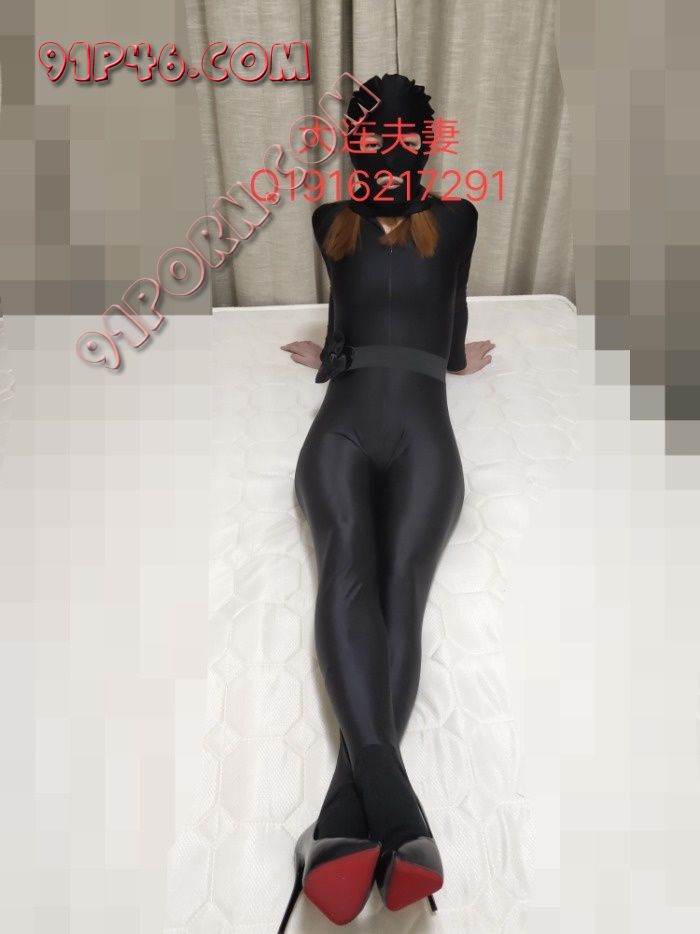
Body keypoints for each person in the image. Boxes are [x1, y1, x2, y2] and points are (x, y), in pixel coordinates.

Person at [277, 73, 494, 932]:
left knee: (387, 583)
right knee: (364, 573)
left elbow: (447, 318)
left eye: (400, 136)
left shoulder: (458, 217)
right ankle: (399, 816)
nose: (387, 150)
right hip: (353, 432)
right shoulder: (330, 219)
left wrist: (453, 355)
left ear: (425, 143)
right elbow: (348, 324)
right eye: (373, 137)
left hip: (397, 435)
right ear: (355, 145)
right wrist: (330, 354)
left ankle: (350, 815)